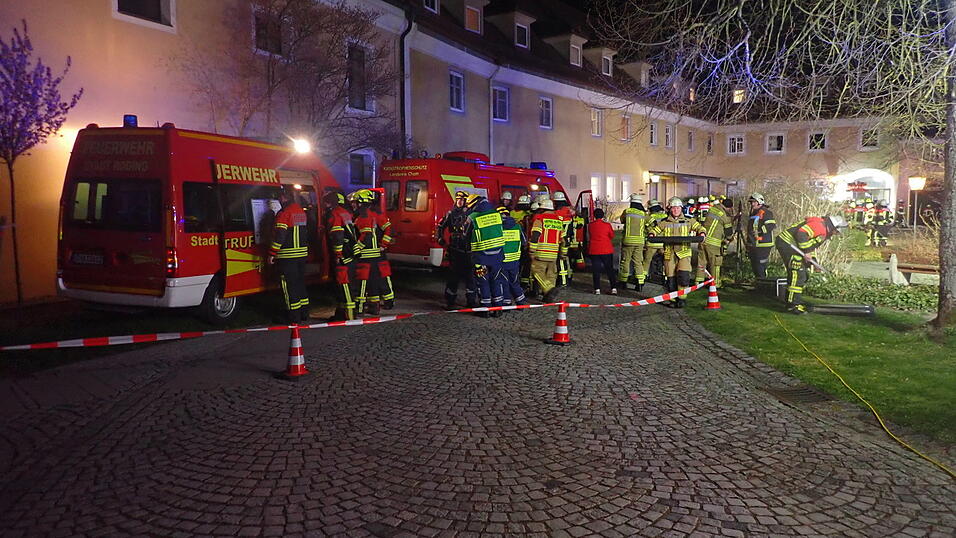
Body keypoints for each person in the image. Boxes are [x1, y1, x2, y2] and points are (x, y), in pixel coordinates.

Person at [775, 215, 847, 314]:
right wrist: (807, 252)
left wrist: (814, 262)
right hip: (788, 244)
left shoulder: (823, 229)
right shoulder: (820, 227)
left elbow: (810, 244)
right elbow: (801, 234)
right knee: (798, 274)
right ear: (834, 227)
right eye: (837, 231)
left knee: (803, 275)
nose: (837, 234)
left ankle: (794, 300)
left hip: (794, 247)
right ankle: (792, 306)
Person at [647, 197, 705, 308]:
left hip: (683, 253)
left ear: (681, 208)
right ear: (670, 209)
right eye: (673, 208)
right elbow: (655, 230)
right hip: (669, 254)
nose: (676, 210)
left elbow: (700, 228)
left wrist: (702, 233)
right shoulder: (664, 222)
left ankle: (682, 299)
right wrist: (652, 234)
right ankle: (672, 300)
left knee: (683, 277)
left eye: (678, 208)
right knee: (670, 279)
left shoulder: (688, 221)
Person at [269, 187, 310, 324]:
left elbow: (280, 235)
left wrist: (272, 253)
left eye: (280, 197)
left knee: (289, 286)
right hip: (301, 255)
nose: (279, 200)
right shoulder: (300, 211)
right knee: (300, 284)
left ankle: (293, 317)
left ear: (284, 197)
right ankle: (304, 313)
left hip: (287, 256)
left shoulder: (284, 213)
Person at [463, 194, 505, 316]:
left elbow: (466, 235)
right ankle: (498, 309)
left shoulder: (472, 217)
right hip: (497, 256)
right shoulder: (497, 214)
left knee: (483, 282)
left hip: (481, 258)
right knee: (496, 280)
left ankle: (485, 310)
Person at [353, 189, 393, 316]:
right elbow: (388, 228)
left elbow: (367, 236)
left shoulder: (363, 216)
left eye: (355, 202)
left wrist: (356, 249)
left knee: (362, 282)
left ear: (361, 203)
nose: (354, 205)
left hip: (365, 255)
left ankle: (359, 308)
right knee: (374, 281)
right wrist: (383, 245)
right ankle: (375, 306)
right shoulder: (376, 213)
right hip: (377, 255)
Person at [435, 191, 473, 309]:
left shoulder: (472, 214)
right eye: (458, 199)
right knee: (453, 277)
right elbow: (440, 226)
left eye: (462, 199)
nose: (459, 202)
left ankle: (471, 301)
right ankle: (450, 301)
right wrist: (440, 238)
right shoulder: (451, 213)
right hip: (455, 249)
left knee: (470, 277)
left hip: (469, 250)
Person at [325, 191, 358, 321]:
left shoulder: (334, 214)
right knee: (343, 286)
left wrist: (338, 255)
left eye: (326, 203)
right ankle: (340, 314)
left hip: (343, 255)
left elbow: (337, 235)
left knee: (344, 286)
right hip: (350, 253)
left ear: (329, 203)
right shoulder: (344, 212)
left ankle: (349, 317)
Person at [528, 199, 563, 303]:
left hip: (541, 251)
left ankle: (549, 289)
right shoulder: (559, 220)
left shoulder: (540, 219)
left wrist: (532, 251)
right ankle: (548, 296)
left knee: (537, 271)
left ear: (542, 208)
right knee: (551, 274)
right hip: (554, 253)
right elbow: (563, 239)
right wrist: (563, 253)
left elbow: (535, 236)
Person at [696, 197, 734, 287]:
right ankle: (715, 283)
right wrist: (730, 238)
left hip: (702, 240)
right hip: (713, 244)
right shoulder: (725, 216)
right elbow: (729, 233)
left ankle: (698, 282)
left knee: (702, 262)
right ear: (729, 208)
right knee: (715, 263)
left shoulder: (712, 209)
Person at [497, 206, 527, 307]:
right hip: (515, 260)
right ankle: (520, 301)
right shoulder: (517, 226)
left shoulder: (498, 227)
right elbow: (524, 242)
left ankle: (507, 302)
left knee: (504, 282)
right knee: (514, 281)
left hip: (502, 260)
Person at [619, 193, 648, 291]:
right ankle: (640, 283)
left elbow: (622, 220)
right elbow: (651, 222)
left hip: (628, 241)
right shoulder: (643, 214)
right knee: (638, 262)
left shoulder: (627, 211)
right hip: (640, 242)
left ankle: (623, 282)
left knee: (625, 261)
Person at [746, 192, 776, 279]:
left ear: (759, 202)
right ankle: (758, 282)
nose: (752, 204)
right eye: (751, 202)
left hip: (763, 244)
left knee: (760, 266)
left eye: (754, 202)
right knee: (755, 265)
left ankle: (763, 282)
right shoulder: (753, 213)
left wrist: (759, 231)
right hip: (754, 244)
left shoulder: (766, 212)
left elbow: (771, 225)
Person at [588, 208, 618, 295]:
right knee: (609, 269)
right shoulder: (607, 225)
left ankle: (597, 289)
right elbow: (612, 235)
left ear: (594, 215)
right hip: (606, 249)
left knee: (596, 270)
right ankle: (613, 288)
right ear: (603, 215)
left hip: (594, 250)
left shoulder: (590, 225)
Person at [552, 191, 574, 287]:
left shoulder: (557, 213)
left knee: (560, 260)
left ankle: (563, 281)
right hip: (567, 239)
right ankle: (568, 277)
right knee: (566, 259)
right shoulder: (569, 213)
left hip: (560, 239)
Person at [643, 199, 667, 285]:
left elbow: (645, 229)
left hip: (651, 243)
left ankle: (644, 276)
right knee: (665, 260)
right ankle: (665, 276)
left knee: (647, 261)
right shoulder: (665, 216)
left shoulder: (649, 217)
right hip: (663, 243)